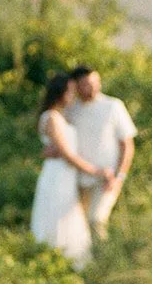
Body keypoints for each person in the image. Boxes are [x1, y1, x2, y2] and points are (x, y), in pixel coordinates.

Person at [29, 72, 114, 269]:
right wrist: (97, 171)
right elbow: (68, 154)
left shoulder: (64, 116)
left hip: (67, 176)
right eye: (70, 92)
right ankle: (53, 262)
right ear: (61, 93)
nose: (73, 96)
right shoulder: (51, 117)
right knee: (57, 215)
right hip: (58, 175)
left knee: (69, 216)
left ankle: (68, 263)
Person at [66, 65, 137, 240]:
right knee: (79, 225)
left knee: (96, 219)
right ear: (76, 86)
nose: (93, 88)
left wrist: (119, 176)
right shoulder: (71, 110)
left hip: (107, 177)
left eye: (95, 82)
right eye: (87, 84)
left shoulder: (113, 106)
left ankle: (102, 260)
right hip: (78, 178)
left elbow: (127, 145)